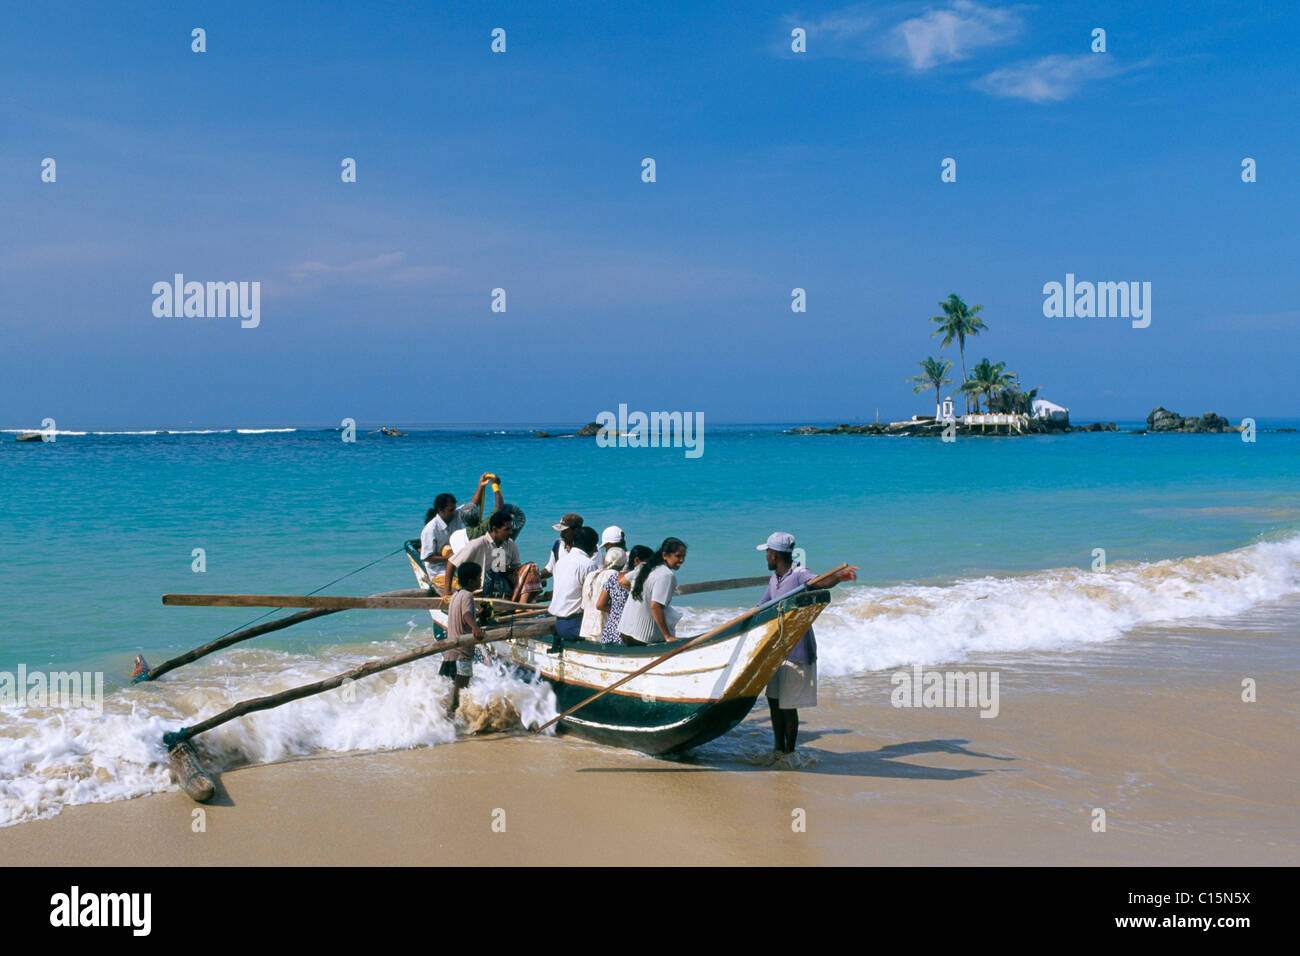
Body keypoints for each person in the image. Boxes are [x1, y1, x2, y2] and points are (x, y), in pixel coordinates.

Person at [755, 532, 857, 755]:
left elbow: (820, 582)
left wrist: (838, 578)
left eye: (767, 554)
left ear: (774, 554)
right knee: (773, 702)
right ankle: (778, 749)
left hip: (796, 649)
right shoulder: (775, 579)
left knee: (788, 706)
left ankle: (789, 753)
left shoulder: (799, 573)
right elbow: (761, 607)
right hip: (776, 651)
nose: (766, 558)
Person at [420, 473, 503, 581]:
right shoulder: (430, 530)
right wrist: (450, 557)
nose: (454, 512)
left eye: (454, 509)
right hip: (439, 572)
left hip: (458, 567)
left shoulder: (454, 515)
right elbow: (426, 557)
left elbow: (472, 506)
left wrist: (481, 486)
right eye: (451, 510)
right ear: (441, 510)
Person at [618, 537, 687, 645]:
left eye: (683, 556)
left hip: (624, 632)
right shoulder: (667, 575)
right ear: (665, 555)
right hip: (642, 638)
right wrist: (667, 636)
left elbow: (622, 581)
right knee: (670, 633)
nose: (682, 560)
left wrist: (640, 593)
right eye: (678, 556)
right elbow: (655, 606)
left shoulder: (645, 567)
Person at [445, 508, 523, 601]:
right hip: (483, 591)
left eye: (511, 529)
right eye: (507, 529)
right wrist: (447, 590)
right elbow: (452, 563)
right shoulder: (478, 543)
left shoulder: (510, 544)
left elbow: (517, 568)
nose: (511, 533)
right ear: (495, 529)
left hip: (505, 590)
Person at [441, 561, 485, 716]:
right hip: (462, 653)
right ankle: (458, 716)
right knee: (462, 687)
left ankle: (449, 717)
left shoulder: (456, 595)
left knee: (453, 688)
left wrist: (477, 615)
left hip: (450, 651)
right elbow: (466, 615)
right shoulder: (468, 595)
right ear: (471, 581)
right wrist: (475, 627)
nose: (480, 581)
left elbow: (465, 614)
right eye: (478, 578)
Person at [548, 525, 601, 641]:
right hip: (575, 624)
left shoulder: (560, 562)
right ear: (591, 546)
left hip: (559, 622)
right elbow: (592, 598)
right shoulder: (589, 565)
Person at [597, 544, 651, 643]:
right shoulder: (639, 579)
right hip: (627, 632)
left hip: (609, 632)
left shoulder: (614, 577)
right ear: (637, 561)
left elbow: (600, 604)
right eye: (648, 563)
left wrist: (617, 610)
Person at [580, 546, 626, 640]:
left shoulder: (591, 575)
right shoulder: (615, 576)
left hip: (587, 628)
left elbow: (583, 605)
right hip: (603, 628)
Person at [539, 513, 584, 582]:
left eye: (565, 531)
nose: (561, 534)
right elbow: (550, 569)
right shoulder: (558, 544)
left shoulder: (590, 548)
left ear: (576, 530)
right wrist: (537, 575)